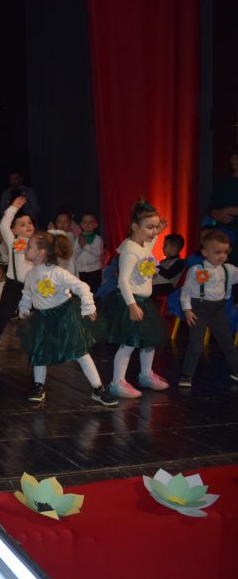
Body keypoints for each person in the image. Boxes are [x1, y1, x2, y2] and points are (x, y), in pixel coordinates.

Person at [18, 231, 117, 405]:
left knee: (80, 352)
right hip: (42, 319)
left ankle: (98, 388)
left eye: (29, 246)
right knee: (40, 353)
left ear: (41, 252)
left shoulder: (58, 273)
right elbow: (27, 293)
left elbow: (81, 287)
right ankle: (39, 386)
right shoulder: (31, 274)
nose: (25, 249)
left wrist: (88, 306)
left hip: (64, 317)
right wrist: (24, 308)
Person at [98, 200, 169, 398]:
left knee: (148, 340)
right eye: (150, 227)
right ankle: (117, 382)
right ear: (135, 227)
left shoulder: (142, 244)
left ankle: (146, 375)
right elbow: (123, 280)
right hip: (132, 301)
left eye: (156, 227)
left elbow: (148, 248)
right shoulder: (129, 251)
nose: (154, 231)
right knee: (129, 343)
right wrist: (132, 305)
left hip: (143, 302)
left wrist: (158, 233)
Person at [178, 230, 238, 387]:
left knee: (227, 342)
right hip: (199, 309)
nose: (222, 256)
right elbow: (186, 291)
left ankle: (236, 371)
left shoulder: (229, 269)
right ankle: (187, 375)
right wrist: (187, 310)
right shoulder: (196, 270)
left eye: (225, 252)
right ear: (205, 252)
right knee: (196, 344)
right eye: (218, 252)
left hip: (219, 309)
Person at [0, 196, 31, 357]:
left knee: (40, 315)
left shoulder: (38, 243)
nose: (27, 226)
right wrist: (13, 208)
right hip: (13, 285)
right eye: (22, 224)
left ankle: (40, 344)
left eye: (29, 223)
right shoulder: (13, 242)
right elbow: (3, 225)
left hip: (33, 286)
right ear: (14, 230)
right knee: (2, 313)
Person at [207, 147, 238, 265]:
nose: (233, 159)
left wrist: (228, 210)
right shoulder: (223, 182)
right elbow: (211, 207)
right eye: (233, 156)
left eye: (237, 156)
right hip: (223, 232)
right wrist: (219, 215)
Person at [74, 212, 104, 292]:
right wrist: (81, 247)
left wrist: (85, 246)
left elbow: (98, 253)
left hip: (94, 270)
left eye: (90, 222)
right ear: (81, 225)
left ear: (96, 225)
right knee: (83, 292)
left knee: (94, 291)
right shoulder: (78, 239)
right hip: (81, 271)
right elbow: (74, 255)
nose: (87, 224)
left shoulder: (98, 239)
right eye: (85, 222)